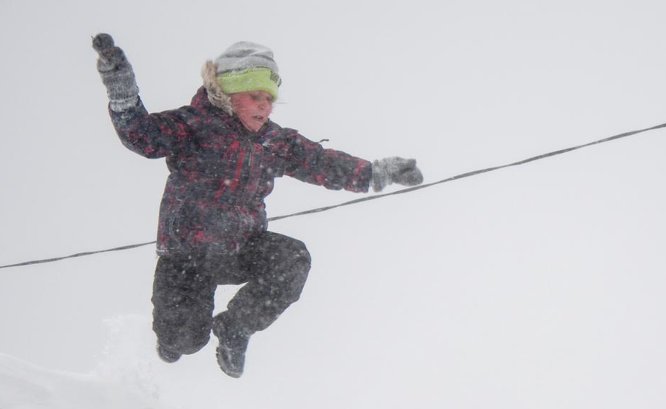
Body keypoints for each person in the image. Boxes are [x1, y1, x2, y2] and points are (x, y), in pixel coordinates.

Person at [92, 34, 423, 378]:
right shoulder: (194, 125)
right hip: (187, 256)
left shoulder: (273, 141)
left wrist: (376, 173)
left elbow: (322, 163)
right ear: (228, 92)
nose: (265, 106)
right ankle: (171, 340)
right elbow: (141, 135)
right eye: (255, 96)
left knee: (292, 259)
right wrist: (122, 89)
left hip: (240, 248)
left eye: (269, 99)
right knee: (185, 341)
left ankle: (235, 327)